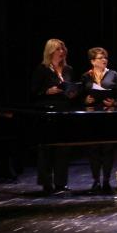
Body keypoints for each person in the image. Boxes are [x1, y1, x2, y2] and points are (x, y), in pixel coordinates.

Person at [30, 39, 75, 193]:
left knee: (63, 149)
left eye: (62, 49)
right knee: (46, 149)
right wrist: (47, 91)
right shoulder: (42, 69)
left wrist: (72, 93)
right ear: (50, 52)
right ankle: (46, 183)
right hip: (47, 113)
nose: (61, 52)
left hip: (64, 111)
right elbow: (33, 91)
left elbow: (71, 88)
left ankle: (61, 183)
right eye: (57, 49)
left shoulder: (68, 69)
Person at [81, 47, 117, 193]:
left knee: (108, 149)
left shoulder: (113, 74)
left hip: (108, 115)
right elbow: (80, 95)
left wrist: (114, 102)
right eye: (100, 58)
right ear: (92, 61)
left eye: (105, 58)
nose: (104, 60)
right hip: (92, 116)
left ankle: (106, 181)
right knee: (93, 149)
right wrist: (85, 100)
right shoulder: (86, 76)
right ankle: (96, 180)